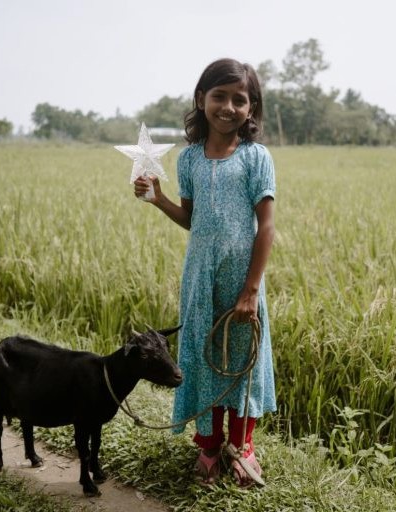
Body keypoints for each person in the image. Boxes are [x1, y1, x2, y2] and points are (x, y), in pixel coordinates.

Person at [133, 58, 276, 487]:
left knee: (242, 363)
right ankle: (209, 446)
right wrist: (159, 200)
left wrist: (250, 291)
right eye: (219, 96)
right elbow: (194, 220)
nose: (228, 107)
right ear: (201, 99)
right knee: (204, 359)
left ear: (251, 109)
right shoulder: (190, 159)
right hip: (200, 279)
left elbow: (266, 227)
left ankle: (242, 447)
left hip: (242, 281)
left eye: (240, 99)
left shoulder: (256, 158)